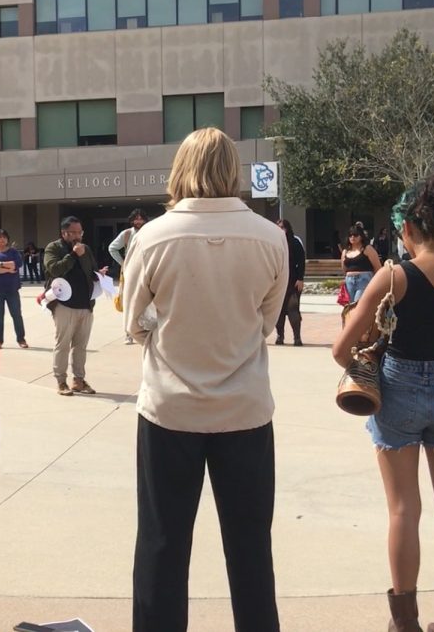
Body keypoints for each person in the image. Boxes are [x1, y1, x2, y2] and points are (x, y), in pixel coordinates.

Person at [122, 127, 288, 631]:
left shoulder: (152, 236)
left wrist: (165, 325)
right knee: (250, 547)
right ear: (232, 170)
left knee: (162, 543)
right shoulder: (268, 236)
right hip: (244, 408)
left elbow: (133, 322)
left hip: (170, 409)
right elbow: (266, 321)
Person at [332, 174, 434, 632]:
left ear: (409, 229)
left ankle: (405, 623)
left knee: (404, 509)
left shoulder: (395, 275)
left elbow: (342, 350)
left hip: (397, 392)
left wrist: (373, 357)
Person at [44, 216, 106, 396]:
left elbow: (91, 270)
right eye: (74, 233)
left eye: (80, 232)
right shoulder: (53, 248)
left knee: (80, 345)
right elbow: (53, 269)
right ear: (64, 233)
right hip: (64, 304)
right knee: (62, 344)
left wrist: (99, 274)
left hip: (85, 304)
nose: (78, 236)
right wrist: (72, 255)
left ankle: (79, 380)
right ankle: (61, 381)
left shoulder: (85, 249)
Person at [109, 209, 150, 344]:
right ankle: (128, 333)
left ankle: (146, 329)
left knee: (148, 300)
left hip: (147, 268)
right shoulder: (126, 234)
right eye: (135, 219)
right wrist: (123, 263)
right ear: (131, 220)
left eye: (140, 218)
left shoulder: (150, 231)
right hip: (130, 271)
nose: (138, 221)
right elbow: (112, 248)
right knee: (128, 301)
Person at [0, 229, 27, 349]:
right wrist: (9, 268)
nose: (2, 240)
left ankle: (21, 339)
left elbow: (17, 264)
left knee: (16, 314)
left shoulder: (13, 251)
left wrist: (1, 264)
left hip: (12, 289)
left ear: (7, 239)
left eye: (4, 237)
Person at [275, 219, 306, 346]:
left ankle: (297, 338)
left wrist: (300, 278)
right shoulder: (274, 243)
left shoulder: (294, 242)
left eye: (283, 227)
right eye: (278, 227)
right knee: (279, 311)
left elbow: (301, 261)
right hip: (277, 281)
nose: (280, 230)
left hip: (292, 281)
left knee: (293, 308)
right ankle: (280, 336)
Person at [343, 223, 383, 303]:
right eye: (350, 235)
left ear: (361, 236)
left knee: (358, 303)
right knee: (350, 306)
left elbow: (378, 267)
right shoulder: (346, 251)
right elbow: (344, 268)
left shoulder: (367, 249)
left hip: (364, 279)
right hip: (349, 280)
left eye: (355, 235)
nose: (352, 237)